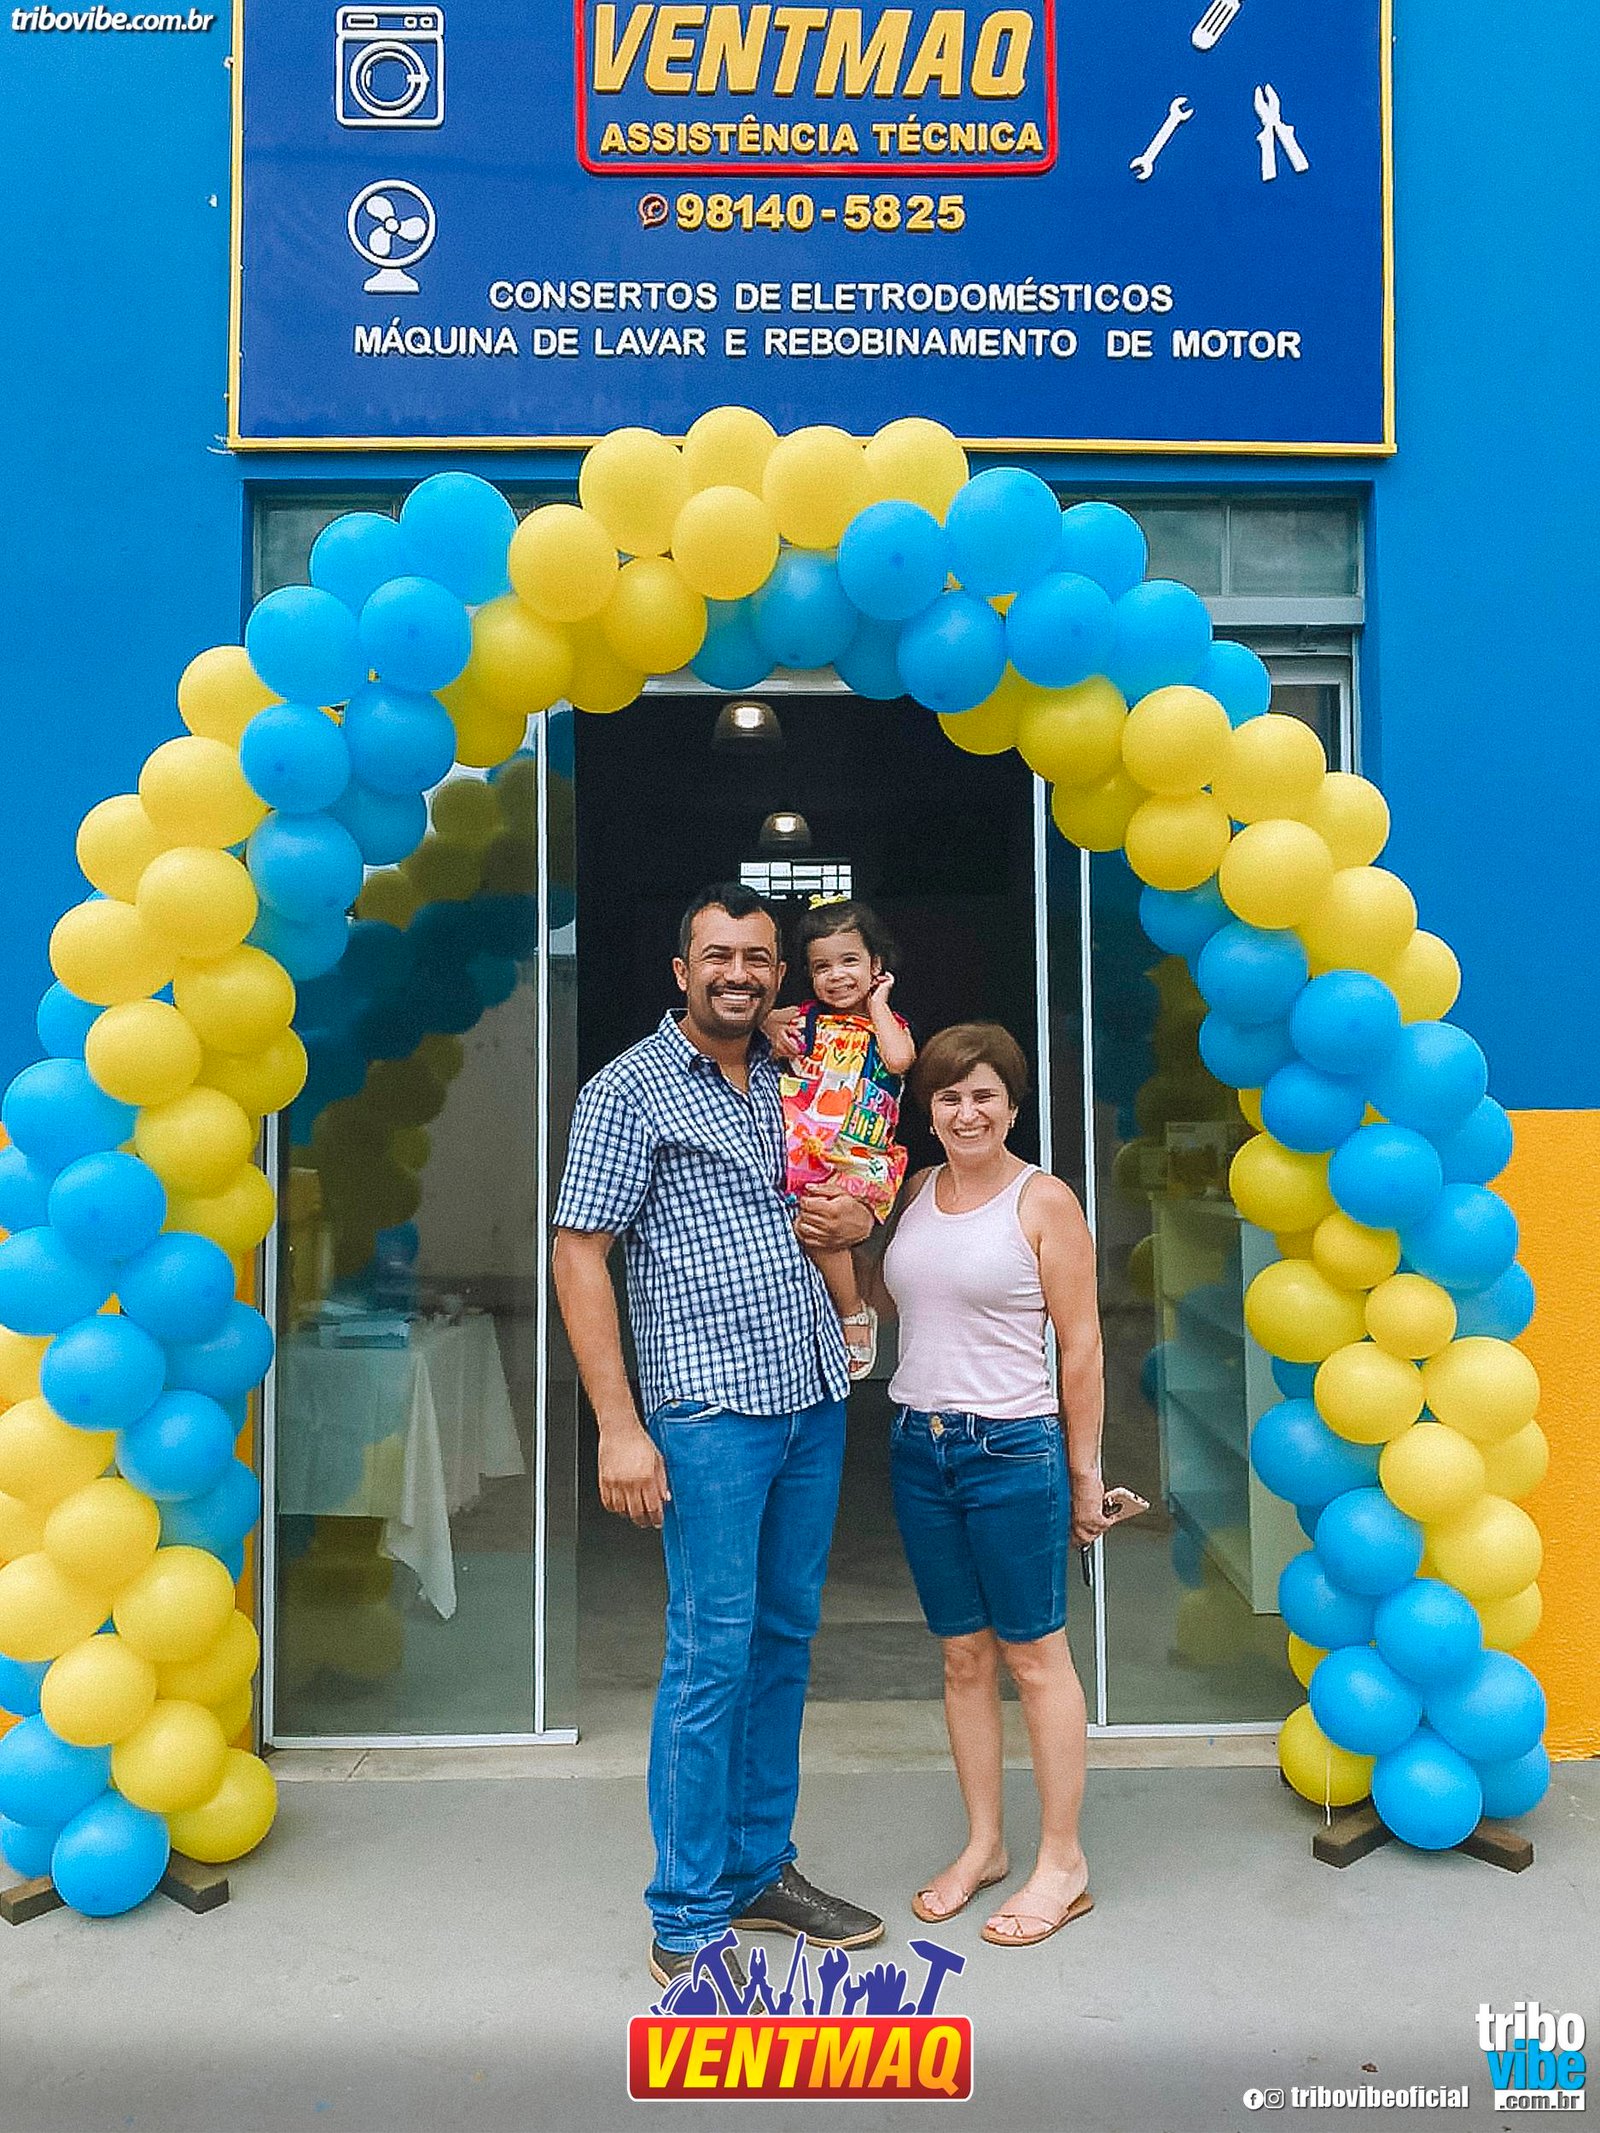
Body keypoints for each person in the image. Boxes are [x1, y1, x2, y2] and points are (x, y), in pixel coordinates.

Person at [551, 882, 886, 1989]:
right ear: (681, 970)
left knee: (784, 1640)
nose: (737, 973)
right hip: (706, 1414)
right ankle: (687, 1911)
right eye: (717, 956)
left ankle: (757, 1868)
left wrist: (864, 1215)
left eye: (757, 957)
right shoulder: (629, 1089)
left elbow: (852, 1180)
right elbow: (578, 1253)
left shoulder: (799, 1072)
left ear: (779, 974)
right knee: (711, 1651)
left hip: (809, 1397)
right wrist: (618, 1427)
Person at [868, 1022, 1113, 1948]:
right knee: (963, 1655)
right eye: (948, 1096)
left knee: (1034, 1655)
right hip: (918, 1443)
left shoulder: (1043, 1200)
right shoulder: (917, 1190)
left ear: (1013, 1107)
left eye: (983, 1095)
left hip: (1012, 1449)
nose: (965, 1112)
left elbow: (1081, 1347)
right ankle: (986, 1844)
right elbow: (893, 1301)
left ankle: (1064, 1861)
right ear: (928, 1111)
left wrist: (1085, 1475)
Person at [767, 899, 917, 1378]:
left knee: (824, 1226)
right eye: (822, 967)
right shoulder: (805, 1018)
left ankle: (853, 1313)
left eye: (849, 961)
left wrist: (879, 1004)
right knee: (812, 1230)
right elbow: (758, 1019)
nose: (836, 976)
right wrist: (772, 1026)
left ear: (876, 965)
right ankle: (840, 1309)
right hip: (806, 1154)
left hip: (859, 1154)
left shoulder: (887, 1025)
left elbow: (899, 1060)